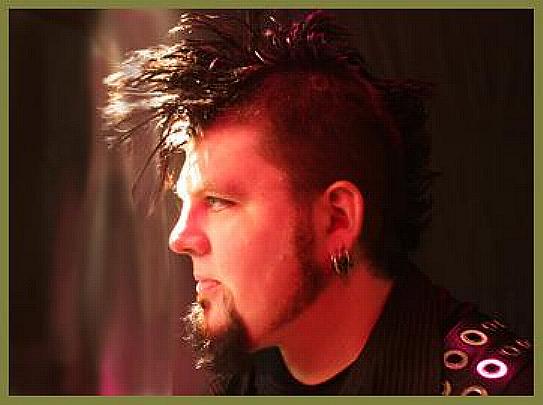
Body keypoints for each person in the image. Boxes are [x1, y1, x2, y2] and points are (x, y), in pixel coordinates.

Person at [102, 11, 533, 395]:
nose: (180, 238)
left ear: (336, 219)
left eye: (218, 201)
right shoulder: (244, 381)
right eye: (184, 202)